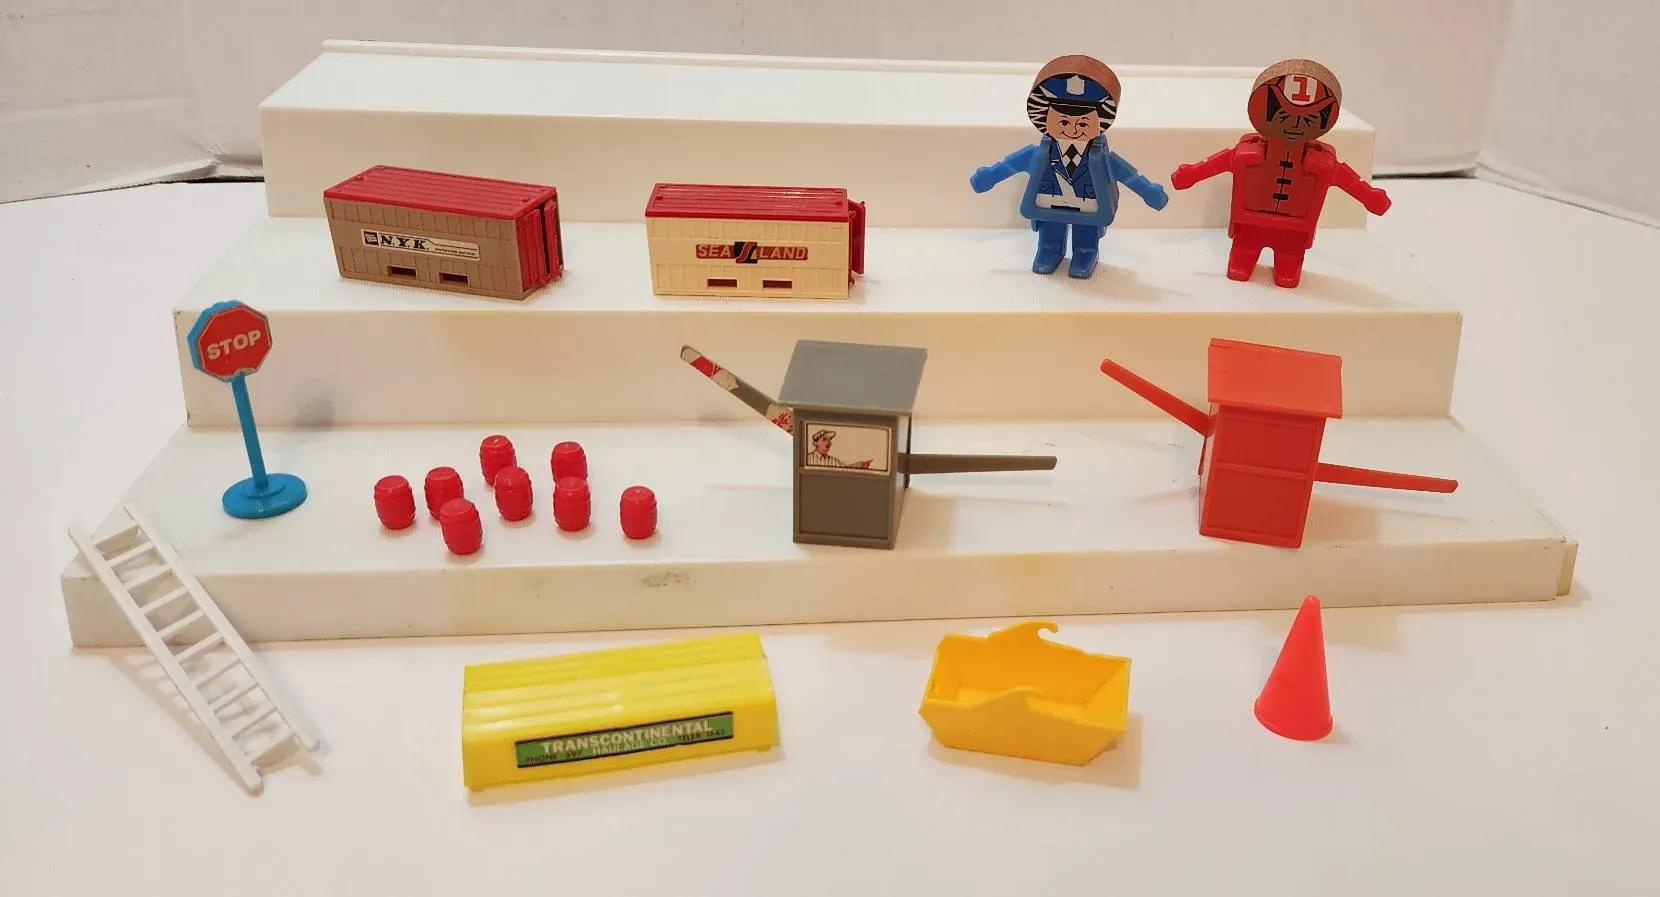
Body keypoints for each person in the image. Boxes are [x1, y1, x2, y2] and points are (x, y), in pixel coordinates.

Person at [970, 54, 1169, 279]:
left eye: (1083, 124)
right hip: (1048, 203)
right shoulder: (1040, 154)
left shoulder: (1100, 157)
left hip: (1088, 205)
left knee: (1086, 234)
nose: (1073, 130)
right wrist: (990, 176)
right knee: (1050, 231)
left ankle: (1085, 253)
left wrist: (1147, 190)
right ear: (1045, 119)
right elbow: (1010, 164)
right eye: (1063, 122)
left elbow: (1126, 173)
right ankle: (1049, 250)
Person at [805, 429, 871, 469]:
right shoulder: (807, 458)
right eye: (824, 439)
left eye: (829, 440)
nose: (828, 443)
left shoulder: (834, 461)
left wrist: (860, 465)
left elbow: (846, 470)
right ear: (815, 443)